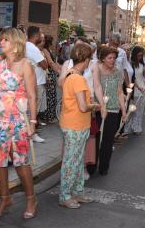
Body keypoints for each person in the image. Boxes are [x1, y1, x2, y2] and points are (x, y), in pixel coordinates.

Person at [0, 28, 38, 219]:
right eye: (1, 39)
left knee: (21, 162)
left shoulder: (25, 65)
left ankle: (30, 198)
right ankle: (5, 197)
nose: (0, 42)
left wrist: (33, 121)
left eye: (5, 40)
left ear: (16, 43)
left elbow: (32, 95)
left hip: (17, 122)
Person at [59, 42, 100, 208]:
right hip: (75, 125)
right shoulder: (78, 79)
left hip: (75, 124)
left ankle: (77, 192)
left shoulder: (70, 75)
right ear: (86, 60)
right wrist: (94, 105)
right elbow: (83, 106)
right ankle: (65, 195)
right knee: (71, 161)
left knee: (77, 160)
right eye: (90, 58)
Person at [93, 46, 127, 175]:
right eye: (110, 58)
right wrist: (100, 106)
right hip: (97, 108)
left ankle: (104, 167)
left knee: (108, 140)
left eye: (114, 58)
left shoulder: (118, 71)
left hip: (113, 109)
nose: (113, 60)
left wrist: (123, 111)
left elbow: (119, 92)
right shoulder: (96, 69)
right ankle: (92, 165)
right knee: (95, 138)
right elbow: (95, 86)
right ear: (102, 58)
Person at [26, 26, 48, 143]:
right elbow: (45, 64)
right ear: (35, 36)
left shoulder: (28, 46)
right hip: (36, 83)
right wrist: (43, 62)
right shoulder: (32, 48)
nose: (41, 36)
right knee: (34, 109)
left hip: (34, 81)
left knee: (32, 108)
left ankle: (31, 132)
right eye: (40, 34)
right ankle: (32, 133)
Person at [124, 46, 145, 135]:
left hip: (142, 90)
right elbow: (133, 78)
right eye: (138, 55)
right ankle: (126, 128)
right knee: (130, 110)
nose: (140, 57)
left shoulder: (143, 65)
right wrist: (137, 86)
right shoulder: (131, 64)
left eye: (141, 56)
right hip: (134, 89)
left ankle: (136, 127)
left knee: (139, 111)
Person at [41, 35, 61, 124]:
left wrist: (61, 69)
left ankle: (51, 116)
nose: (53, 43)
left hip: (51, 73)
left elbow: (55, 62)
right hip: (49, 73)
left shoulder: (49, 50)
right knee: (50, 95)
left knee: (52, 94)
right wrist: (59, 71)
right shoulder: (45, 50)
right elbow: (51, 62)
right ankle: (48, 117)